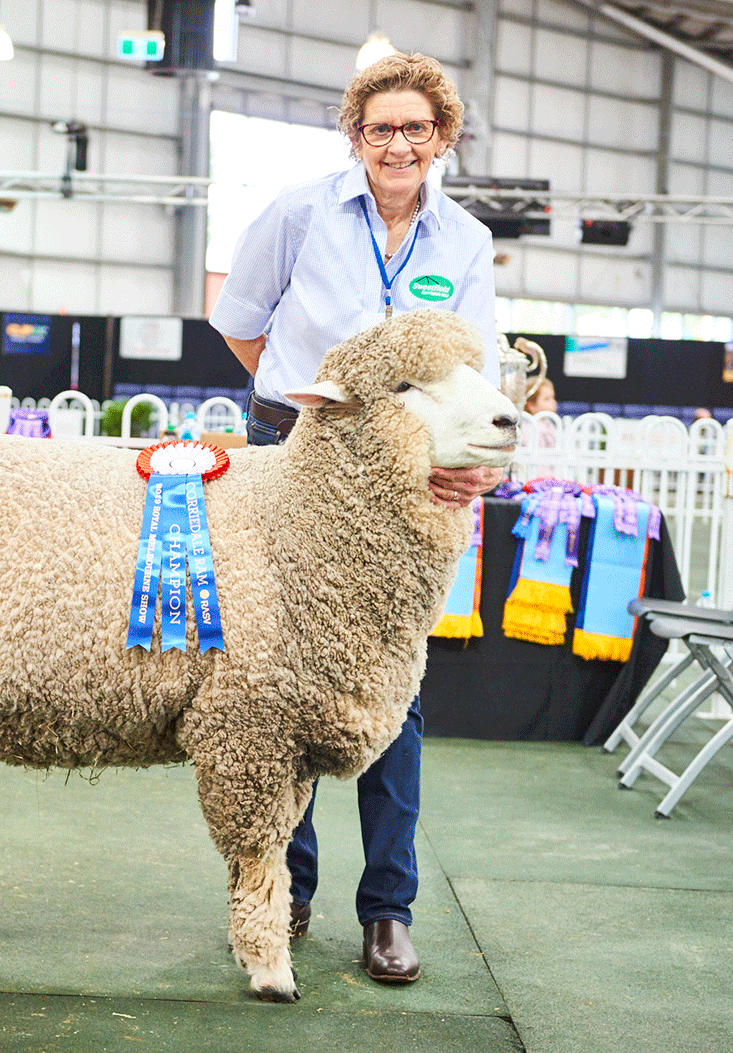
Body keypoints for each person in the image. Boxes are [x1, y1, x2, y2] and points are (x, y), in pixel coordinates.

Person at [209, 52, 504, 986]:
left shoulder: (465, 240)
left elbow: (476, 368)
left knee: (391, 689)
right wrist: (311, 408)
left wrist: (446, 459)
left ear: (442, 137)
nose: (399, 143)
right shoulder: (299, 212)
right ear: (355, 136)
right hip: (294, 446)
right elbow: (241, 319)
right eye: (381, 128)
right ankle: (288, 893)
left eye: (417, 128)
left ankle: (387, 910)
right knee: (279, 671)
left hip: (406, 472)